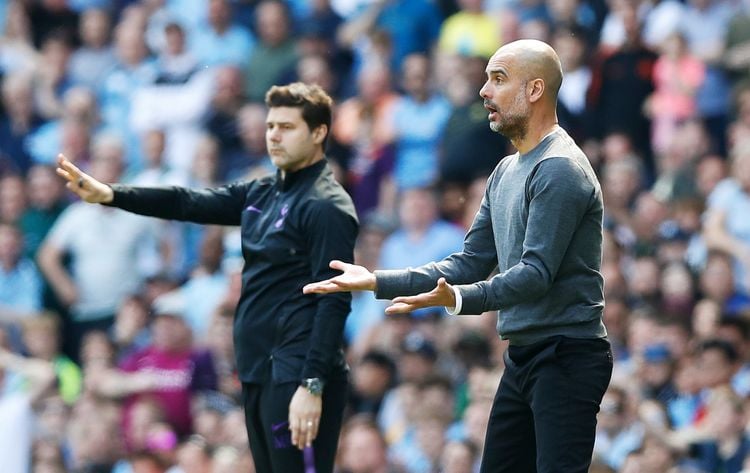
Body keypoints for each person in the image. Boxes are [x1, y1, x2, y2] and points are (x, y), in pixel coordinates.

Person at [305, 39, 613, 473]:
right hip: (524, 354)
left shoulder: (560, 167)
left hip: (567, 355)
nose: (484, 91)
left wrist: (457, 300)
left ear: (536, 90)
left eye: (498, 79)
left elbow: (535, 274)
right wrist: (377, 280)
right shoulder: (506, 170)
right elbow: (467, 262)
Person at [55, 82, 358, 473]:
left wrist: (312, 385)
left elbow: (334, 298)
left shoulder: (327, 206)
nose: (274, 136)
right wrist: (112, 194)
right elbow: (187, 201)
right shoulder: (263, 192)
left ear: (318, 133)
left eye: (287, 127)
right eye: (270, 126)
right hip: (258, 366)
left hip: (297, 371)